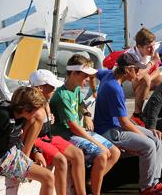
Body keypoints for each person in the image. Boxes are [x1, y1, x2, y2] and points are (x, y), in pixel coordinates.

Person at [93, 53, 162, 194]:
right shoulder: (115, 89)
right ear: (127, 70)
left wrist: (94, 91)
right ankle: (146, 188)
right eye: (136, 69)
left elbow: (92, 73)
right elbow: (125, 123)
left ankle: (155, 182)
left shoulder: (107, 74)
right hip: (109, 130)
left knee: (158, 139)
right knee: (149, 145)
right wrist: (143, 134)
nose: (138, 72)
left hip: (117, 125)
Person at [50, 54, 121, 195]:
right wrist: (98, 144)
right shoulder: (63, 95)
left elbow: (80, 104)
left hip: (78, 131)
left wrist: (87, 115)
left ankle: (92, 183)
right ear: (74, 73)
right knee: (101, 154)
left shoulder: (75, 88)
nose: (88, 80)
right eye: (85, 76)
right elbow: (73, 127)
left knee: (115, 152)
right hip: (66, 134)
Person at [0, 86, 54, 195]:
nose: (37, 113)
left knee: (47, 176)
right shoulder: (1, 116)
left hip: (10, 152)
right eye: (36, 109)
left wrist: (36, 151)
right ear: (26, 109)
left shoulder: (20, 115)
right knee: (48, 177)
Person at [21, 69, 87, 195]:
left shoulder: (45, 101)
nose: (54, 90)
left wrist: (49, 118)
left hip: (48, 136)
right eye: (51, 87)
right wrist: (35, 152)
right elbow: (24, 135)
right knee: (61, 160)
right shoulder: (31, 107)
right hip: (37, 140)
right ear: (40, 88)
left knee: (78, 154)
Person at [127, 28, 162, 126]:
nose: (152, 49)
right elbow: (138, 76)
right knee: (145, 79)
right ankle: (136, 115)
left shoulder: (150, 53)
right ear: (139, 47)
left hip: (137, 81)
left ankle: (155, 111)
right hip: (125, 84)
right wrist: (152, 62)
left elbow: (157, 71)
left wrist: (148, 81)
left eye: (153, 46)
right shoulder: (131, 55)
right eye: (149, 47)